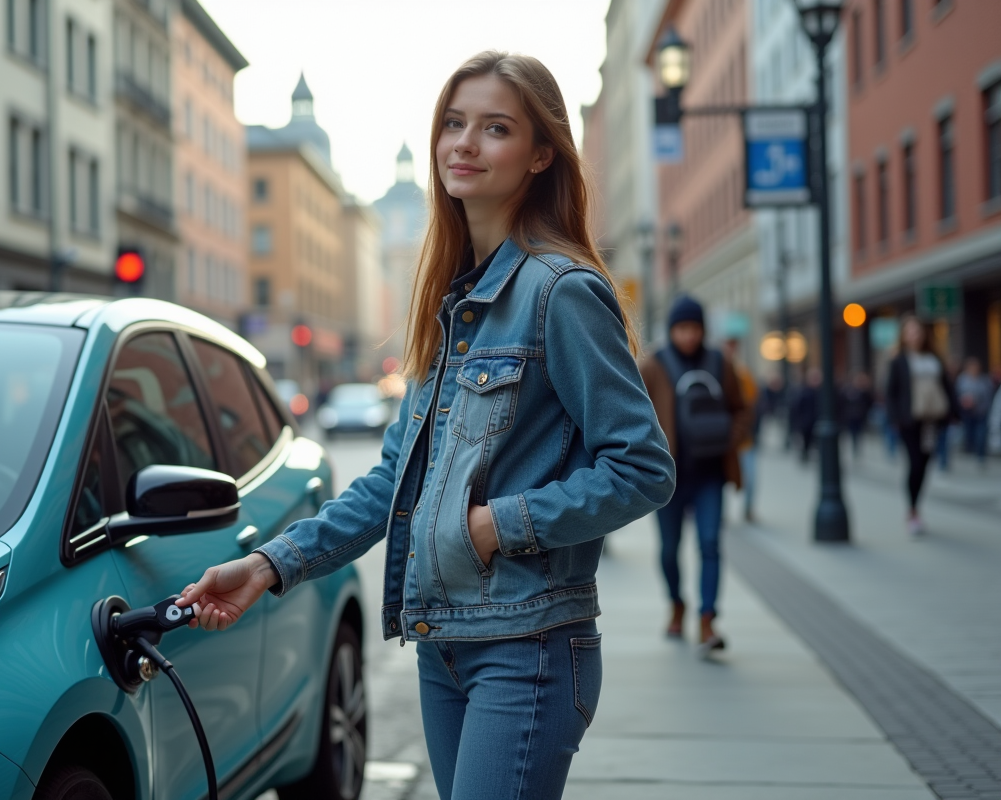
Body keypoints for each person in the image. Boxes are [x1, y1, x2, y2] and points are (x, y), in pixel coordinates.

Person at [172, 51, 676, 800]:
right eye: (454, 123)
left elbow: (642, 469)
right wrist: (269, 565)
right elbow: (388, 483)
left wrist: (499, 524)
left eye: (495, 128)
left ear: (541, 154)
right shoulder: (454, 304)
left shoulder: (560, 292)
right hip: (442, 647)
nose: (464, 144)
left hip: (527, 645)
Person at [640, 297, 747, 655]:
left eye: (694, 328)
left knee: (710, 545)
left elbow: (742, 409)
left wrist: (729, 436)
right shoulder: (653, 365)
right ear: (672, 330)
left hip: (710, 475)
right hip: (668, 478)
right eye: (682, 328)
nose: (688, 335)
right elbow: (635, 412)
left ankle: (707, 620)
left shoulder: (719, 361)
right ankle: (676, 604)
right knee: (669, 552)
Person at [885, 315, 956, 535]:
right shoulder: (898, 360)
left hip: (932, 419)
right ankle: (913, 510)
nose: (914, 335)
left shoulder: (935, 358)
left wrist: (954, 413)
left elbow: (946, 387)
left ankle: (916, 507)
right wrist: (895, 419)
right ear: (904, 336)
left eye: (917, 331)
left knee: (925, 464)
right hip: (909, 420)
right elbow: (891, 392)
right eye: (910, 331)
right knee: (915, 463)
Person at [723, 337, 759, 522]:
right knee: (720, 479)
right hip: (722, 438)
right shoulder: (717, 371)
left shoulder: (743, 374)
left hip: (743, 439)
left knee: (750, 478)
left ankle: (748, 510)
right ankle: (722, 513)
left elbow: (750, 404)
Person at [955, 357, 994, 468]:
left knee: (981, 435)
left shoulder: (984, 380)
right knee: (969, 433)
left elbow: (988, 397)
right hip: (967, 413)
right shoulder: (962, 380)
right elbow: (957, 395)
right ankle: (970, 449)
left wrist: (979, 403)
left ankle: (980, 455)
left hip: (981, 412)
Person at [842, 371, 875, 457]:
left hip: (860, 416)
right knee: (853, 433)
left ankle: (856, 447)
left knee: (859, 433)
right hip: (851, 416)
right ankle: (854, 446)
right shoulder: (848, 390)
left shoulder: (864, 392)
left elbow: (869, 402)